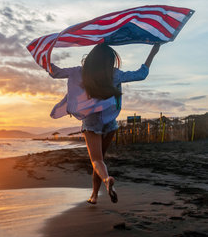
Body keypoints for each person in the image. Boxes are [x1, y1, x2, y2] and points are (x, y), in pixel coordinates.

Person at [49, 43, 161, 204]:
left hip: (91, 122)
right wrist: (153, 51)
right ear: (109, 61)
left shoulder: (79, 72)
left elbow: (55, 72)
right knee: (100, 159)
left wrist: (44, 55)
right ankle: (94, 195)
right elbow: (141, 74)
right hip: (110, 122)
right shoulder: (114, 74)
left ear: (91, 58)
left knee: (97, 161)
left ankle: (107, 181)